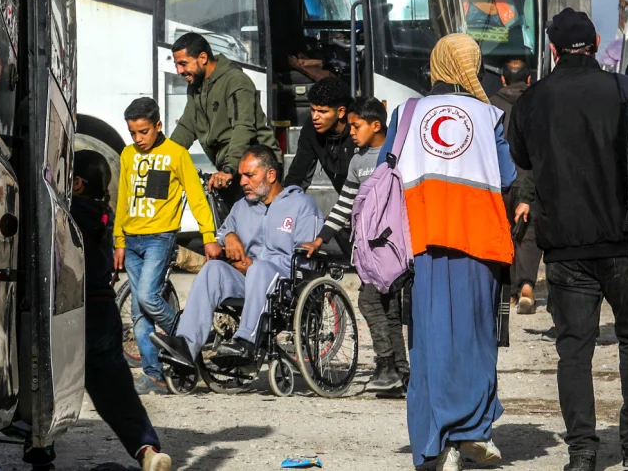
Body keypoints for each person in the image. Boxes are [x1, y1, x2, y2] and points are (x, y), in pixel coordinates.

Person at [508, 8, 628, 471]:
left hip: (565, 247)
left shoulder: (532, 100)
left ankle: (582, 450)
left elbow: (521, 156)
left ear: (553, 49)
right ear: (596, 41)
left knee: (574, 348)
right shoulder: (624, 90)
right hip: (626, 241)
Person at [380, 33, 515, 471]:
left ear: (437, 63)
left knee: (428, 343)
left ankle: (432, 444)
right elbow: (509, 173)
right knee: (476, 339)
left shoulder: (407, 112)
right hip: (479, 241)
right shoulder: (489, 115)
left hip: (422, 241)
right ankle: (472, 432)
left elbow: (387, 169)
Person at [24, 151, 173, 471]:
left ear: (75, 184)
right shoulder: (101, 215)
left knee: (44, 380)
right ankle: (147, 449)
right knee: (117, 390)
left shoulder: (66, 212)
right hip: (104, 312)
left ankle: (40, 454)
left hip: (68, 312)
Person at [151, 146, 322, 366]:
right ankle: (186, 345)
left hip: (285, 285)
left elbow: (307, 259)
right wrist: (229, 235)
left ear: (271, 175)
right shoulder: (242, 207)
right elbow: (221, 232)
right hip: (248, 281)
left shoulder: (301, 205)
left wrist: (259, 266)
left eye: (250, 175)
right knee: (213, 269)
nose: (242, 181)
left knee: (260, 269)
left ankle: (245, 341)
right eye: (241, 175)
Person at [295, 98, 408, 396]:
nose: (353, 133)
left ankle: (387, 366)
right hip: (370, 248)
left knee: (372, 302)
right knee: (384, 305)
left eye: (357, 126)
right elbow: (344, 204)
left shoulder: (397, 156)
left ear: (376, 125)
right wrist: (321, 238)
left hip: (395, 247)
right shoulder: (358, 161)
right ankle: (400, 372)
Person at [113, 98, 221, 394]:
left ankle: (187, 338)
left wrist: (209, 236)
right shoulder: (127, 155)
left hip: (160, 238)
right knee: (138, 312)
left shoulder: (176, 154)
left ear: (158, 126)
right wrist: (119, 241)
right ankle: (154, 374)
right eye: (133, 133)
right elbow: (122, 198)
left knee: (148, 297)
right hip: (131, 241)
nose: (138, 139)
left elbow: (197, 198)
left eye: (144, 132)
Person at [169, 32, 280, 204]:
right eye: (177, 65)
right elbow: (186, 127)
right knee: (229, 228)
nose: (179, 71)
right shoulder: (195, 87)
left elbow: (243, 128)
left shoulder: (235, 81)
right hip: (231, 169)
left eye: (183, 64)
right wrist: (163, 159)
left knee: (255, 228)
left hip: (258, 170)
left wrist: (229, 169)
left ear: (203, 58)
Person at [491, 58, 542, 314]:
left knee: (505, 231)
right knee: (529, 235)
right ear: (529, 79)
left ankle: (508, 292)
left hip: (500, 181)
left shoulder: (489, 105)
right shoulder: (539, 104)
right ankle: (526, 286)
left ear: (502, 79)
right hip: (530, 178)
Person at [283, 78, 356, 192]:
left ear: (341, 112)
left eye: (322, 112)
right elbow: (297, 176)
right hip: (345, 200)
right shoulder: (311, 128)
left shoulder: (361, 127)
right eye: (312, 110)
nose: (315, 117)